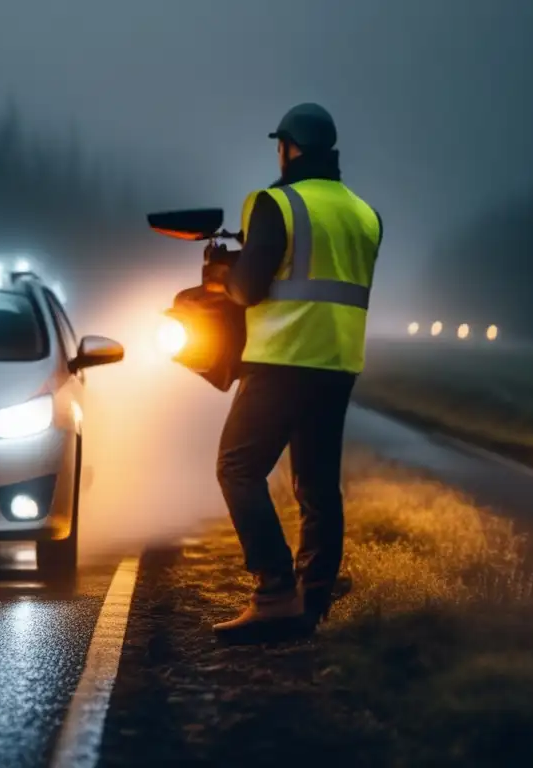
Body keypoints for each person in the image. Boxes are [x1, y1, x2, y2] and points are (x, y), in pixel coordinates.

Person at [210, 103, 383, 645]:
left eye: (278, 147)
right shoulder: (363, 213)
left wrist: (223, 272)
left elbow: (248, 288)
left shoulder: (275, 203)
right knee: (315, 484)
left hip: (283, 359)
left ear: (290, 148)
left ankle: (274, 592)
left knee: (237, 468)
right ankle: (314, 594)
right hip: (338, 363)